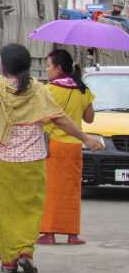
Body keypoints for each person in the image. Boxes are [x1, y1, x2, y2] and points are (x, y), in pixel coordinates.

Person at [0, 44, 104, 273]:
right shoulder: (39, 90)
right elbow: (61, 120)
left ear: (4, 66)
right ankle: (25, 251)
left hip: (5, 162)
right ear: (27, 65)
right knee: (31, 209)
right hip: (33, 162)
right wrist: (86, 138)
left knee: (6, 211)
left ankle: (9, 260)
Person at [38, 50, 95, 246]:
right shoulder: (83, 90)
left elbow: (41, 117)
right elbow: (89, 118)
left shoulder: (49, 90)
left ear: (59, 68)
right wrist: (84, 95)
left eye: (48, 66)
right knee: (72, 190)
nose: (47, 70)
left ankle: (49, 233)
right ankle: (72, 234)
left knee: (51, 190)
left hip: (53, 146)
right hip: (74, 148)